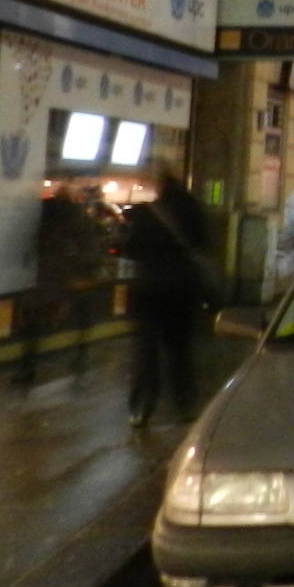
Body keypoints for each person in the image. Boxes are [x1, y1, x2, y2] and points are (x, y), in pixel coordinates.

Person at [123, 164, 211, 427]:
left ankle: (141, 408)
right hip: (182, 289)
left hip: (148, 290)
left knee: (145, 350)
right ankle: (184, 403)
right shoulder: (192, 209)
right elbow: (203, 243)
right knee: (179, 349)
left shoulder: (148, 213)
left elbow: (130, 247)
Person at [15, 189, 98, 384]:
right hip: (71, 277)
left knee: (33, 322)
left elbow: (37, 244)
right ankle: (80, 356)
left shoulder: (45, 214)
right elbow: (89, 249)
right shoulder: (80, 218)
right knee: (83, 317)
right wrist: (85, 274)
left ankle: (28, 368)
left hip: (47, 277)